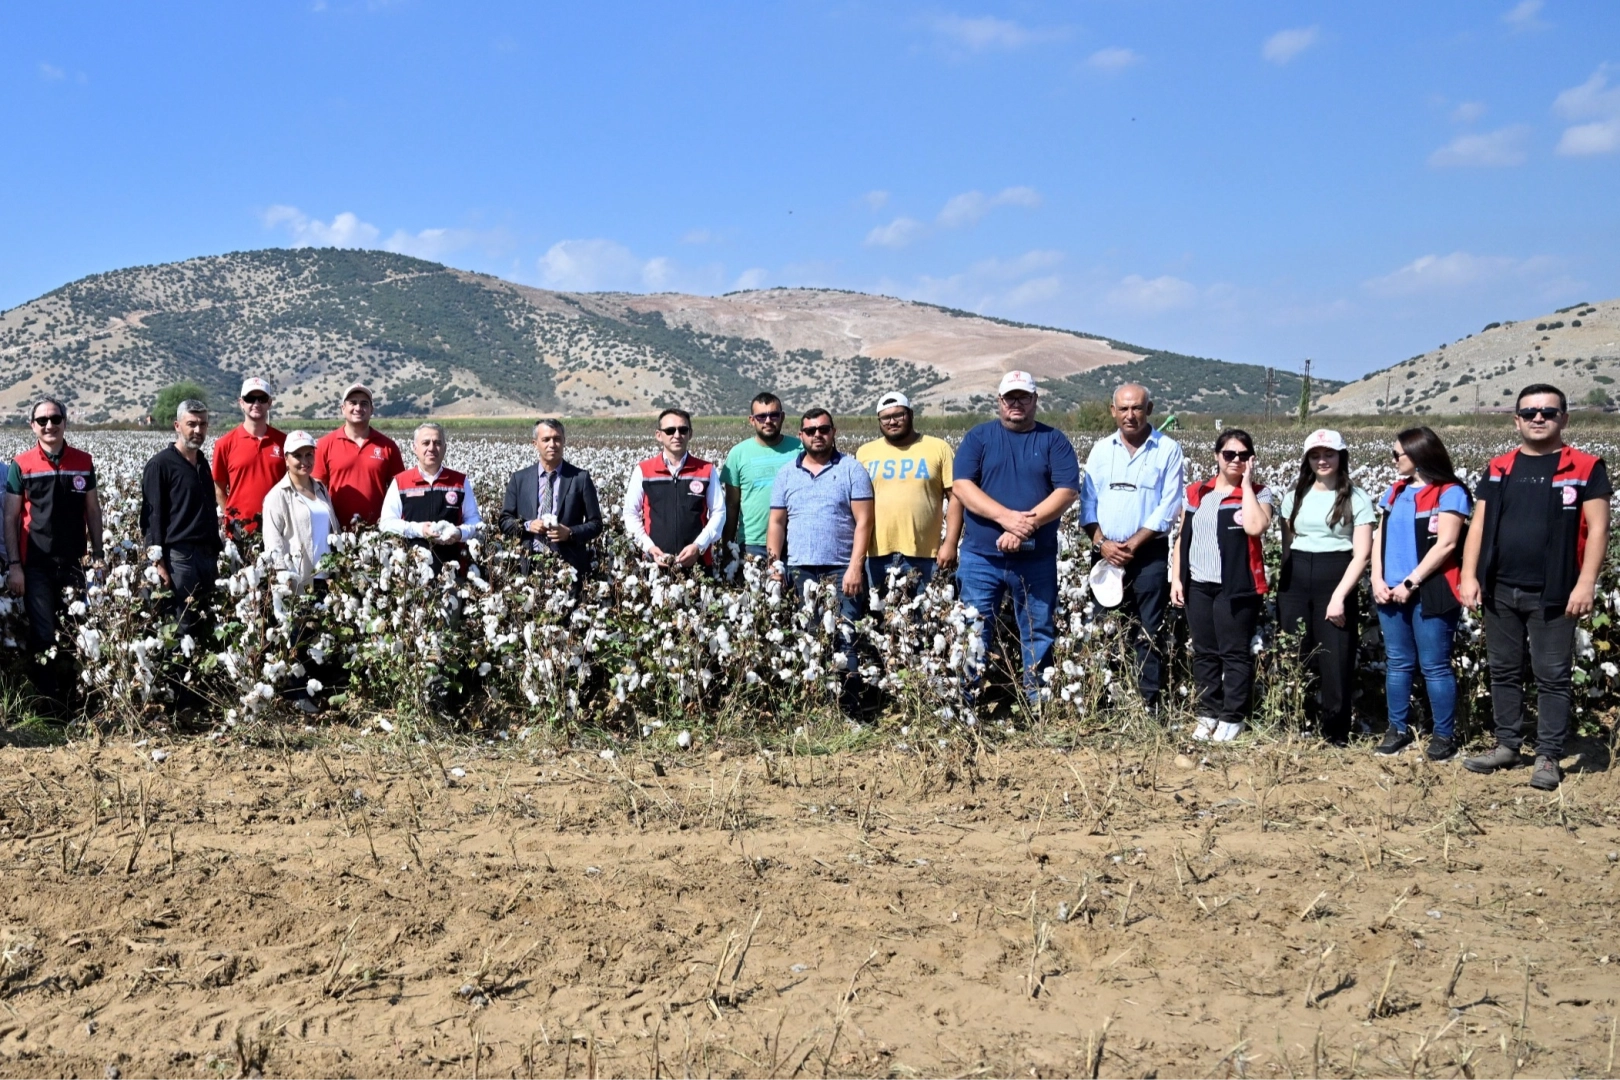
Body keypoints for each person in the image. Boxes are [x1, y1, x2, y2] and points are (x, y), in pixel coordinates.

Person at [1461, 385, 1612, 790]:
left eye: (1548, 411)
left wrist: (1586, 582)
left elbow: (1599, 529)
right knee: (1504, 671)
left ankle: (1547, 756)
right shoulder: (1499, 467)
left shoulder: (1585, 467)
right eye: (1529, 412)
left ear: (1564, 417)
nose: (1538, 418)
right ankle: (1507, 745)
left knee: (1552, 675)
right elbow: (1478, 524)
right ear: (1517, 420)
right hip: (1500, 588)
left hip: (1557, 592)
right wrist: (1469, 575)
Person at [952, 372, 1081, 699]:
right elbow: (962, 487)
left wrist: (1027, 526)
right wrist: (1007, 518)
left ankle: (1037, 703)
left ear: (1035, 401)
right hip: (981, 558)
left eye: (1024, 397)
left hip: (1035, 559)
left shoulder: (1054, 441)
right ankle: (967, 703)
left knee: (1038, 633)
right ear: (999, 401)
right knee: (973, 631)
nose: (1016, 403)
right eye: (1010, 397)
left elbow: (1066, 492)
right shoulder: (978, 438)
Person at [1078, 382, 1183, 708]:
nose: (1130, 415)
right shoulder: (1100, 450)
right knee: (1105, 628)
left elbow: (1169, 506)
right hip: (1105, 555)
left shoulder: (1168, 449)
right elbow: (1087, 502)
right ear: (1113, 411)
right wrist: (1102, 542)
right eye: (1123, 408)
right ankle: (1103, 703)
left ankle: (1147, 705)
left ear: (1149, 410)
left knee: (1148, 630)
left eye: (1137, 407)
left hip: (1149, 555)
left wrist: (1133, 544)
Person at [1370, 426, 1471, 761]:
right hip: (1390, 590)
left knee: (1435, 666)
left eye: (1398, 454)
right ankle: (1397, 728)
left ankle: (1443, 736)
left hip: (1431, 591)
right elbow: (1378, 536)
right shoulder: (1395, 491)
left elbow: (1447, 544)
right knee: (1397, 663)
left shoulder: (1450, 492)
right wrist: (1376, 578)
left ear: (1418, 454)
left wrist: (1410, 583)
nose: (1394, 460)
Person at [767, 409, 874, 712]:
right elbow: (776, 523)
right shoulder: (788, 473)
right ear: (800, 435)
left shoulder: (852, 469)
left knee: (845, 638)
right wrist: (776, 566)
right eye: (810, 430)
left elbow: (865, 522)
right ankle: (817, 707)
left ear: (833, 432)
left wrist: (855, 566)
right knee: (809, 638)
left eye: (823, 429)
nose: (817, 435)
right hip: (800, 570)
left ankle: (849, 709)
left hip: (842, 569)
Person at [1170, 429, 1273, 742]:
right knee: (1204, 652)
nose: (1236, 460)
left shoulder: (1259, 493)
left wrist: (1246, 485)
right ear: (1217, 456)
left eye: (1243, 455)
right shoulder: (1197, 492)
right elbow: (1182, 538)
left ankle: (1233, 715)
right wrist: (1177, 577)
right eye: (1229, 454)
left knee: (1234, 653)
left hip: (1236, 586)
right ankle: (1208, 712)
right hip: (1198, 585)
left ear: (1251, 459)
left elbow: (1257, 526)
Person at [3, 398, 105, 713]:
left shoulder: (83, 461)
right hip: (35, 565)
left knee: (76, 631)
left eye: (55, 418)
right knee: (44, 633)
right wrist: (15, 566)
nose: (50, 425)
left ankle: (78, 701)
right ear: (33, 425)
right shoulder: (21, 465)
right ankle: (47, 705)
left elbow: (92, 510)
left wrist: (98, 554)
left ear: (65, 421)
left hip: (74, 562)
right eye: (42, 420)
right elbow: (10, 518)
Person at [1277, 429, 1376, 745]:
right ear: (1307, 459)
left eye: (1329, 454)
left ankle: (1335, 733)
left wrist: (1338, 597)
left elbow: (1362, 554)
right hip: (1295, 577)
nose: (1322, 460)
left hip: (1336, 576)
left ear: (1341, 456)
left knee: (1336, 658)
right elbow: (1288, 542)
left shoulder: (1356, 498)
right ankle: (1298, 722)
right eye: (1316, 454)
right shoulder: (1294, 497)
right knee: (1295, 653)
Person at [261, 430, 336, 715]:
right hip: (297, 579)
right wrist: (285, 577)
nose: (304, 461)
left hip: (323, 577)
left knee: (316, 638)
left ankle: (315, 693)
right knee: (296, 638)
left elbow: (330, 530)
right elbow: (274, 543)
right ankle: (296, 696)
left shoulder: (320, 489)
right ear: (286, 458)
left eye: (309, 455)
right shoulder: (277, 496)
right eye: (298, 456)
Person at [856, 391, 961, 594]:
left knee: (925, 621)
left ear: (911, 415)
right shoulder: (864, 453)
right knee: (880, 621)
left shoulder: (939, 448)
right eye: (886, 417)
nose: (892, 422)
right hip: (875, 555)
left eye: (899, 415)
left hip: (926, 555)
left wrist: (950, 543)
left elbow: (955, 498)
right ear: (879, 420)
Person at [140, 399, 224, 645]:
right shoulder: (160, 465)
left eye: (203, 424)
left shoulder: (202, 464)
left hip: (207, 556)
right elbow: (151, 518)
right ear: (177, 425)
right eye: (192, 424)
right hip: (179, 558)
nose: (198, 431)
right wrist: (158, 563)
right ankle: (177, 681)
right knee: (181, 625)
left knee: (205, 620)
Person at [498, 419, 603, 580]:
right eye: (546, 439)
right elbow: (505, 521)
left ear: (564, 442)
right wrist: (528, 525)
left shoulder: (580, 478)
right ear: (535, 444)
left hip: (569, 566)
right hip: (529, 565)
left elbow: (596, 524)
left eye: (557, 439)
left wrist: (569, 533)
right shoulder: (519, 479)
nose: (552, 444)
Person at [622, 408, 725, 568]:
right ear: (659, 435)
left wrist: (698, 546)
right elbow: (630, 513)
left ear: (690, 434)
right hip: (653, 565)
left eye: (683, 430)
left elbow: (718, 512)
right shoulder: (643, 470)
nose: (677, 435)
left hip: (698, 564)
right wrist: (649, 547)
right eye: (670, 430)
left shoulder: (706, 470)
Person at [379, 422, 482, 571]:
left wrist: (459, 533)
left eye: (437, 443)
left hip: (454, 570)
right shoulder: (400, 482)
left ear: (445, 448)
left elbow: (474, 520)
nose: (431, 448)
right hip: (411, 572)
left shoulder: (460, 482)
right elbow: (386, 523)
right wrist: (419, 529)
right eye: (426, 443)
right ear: (415, 448)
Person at [313, 383, 404, 528]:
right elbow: (316, 490)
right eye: (353, 403)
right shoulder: (325, 444)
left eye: (364, 403)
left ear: (371, 410)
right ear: (343, 408)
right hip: (335, 531)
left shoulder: (388, 446)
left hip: (377, 532)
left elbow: (400, 491)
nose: (358, 408)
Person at [722, 394, 803, 558]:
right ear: (752, 420)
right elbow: (731, 505)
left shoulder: (801, 449)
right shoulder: (738, 454)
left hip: (796, 541)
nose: (768, 421)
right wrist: (727, 548)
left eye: (774, 415)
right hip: (752, 544)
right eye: (761, 416)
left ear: (782, 417)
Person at [211, 376, 286, 537]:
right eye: (250, 399)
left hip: (279, 530)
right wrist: (232, 519)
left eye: (262, 399)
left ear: (269, 403)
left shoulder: (284, 442)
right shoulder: (224, 444)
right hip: (239, 533)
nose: (256, 404)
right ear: (241, 403)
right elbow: (219, 489)